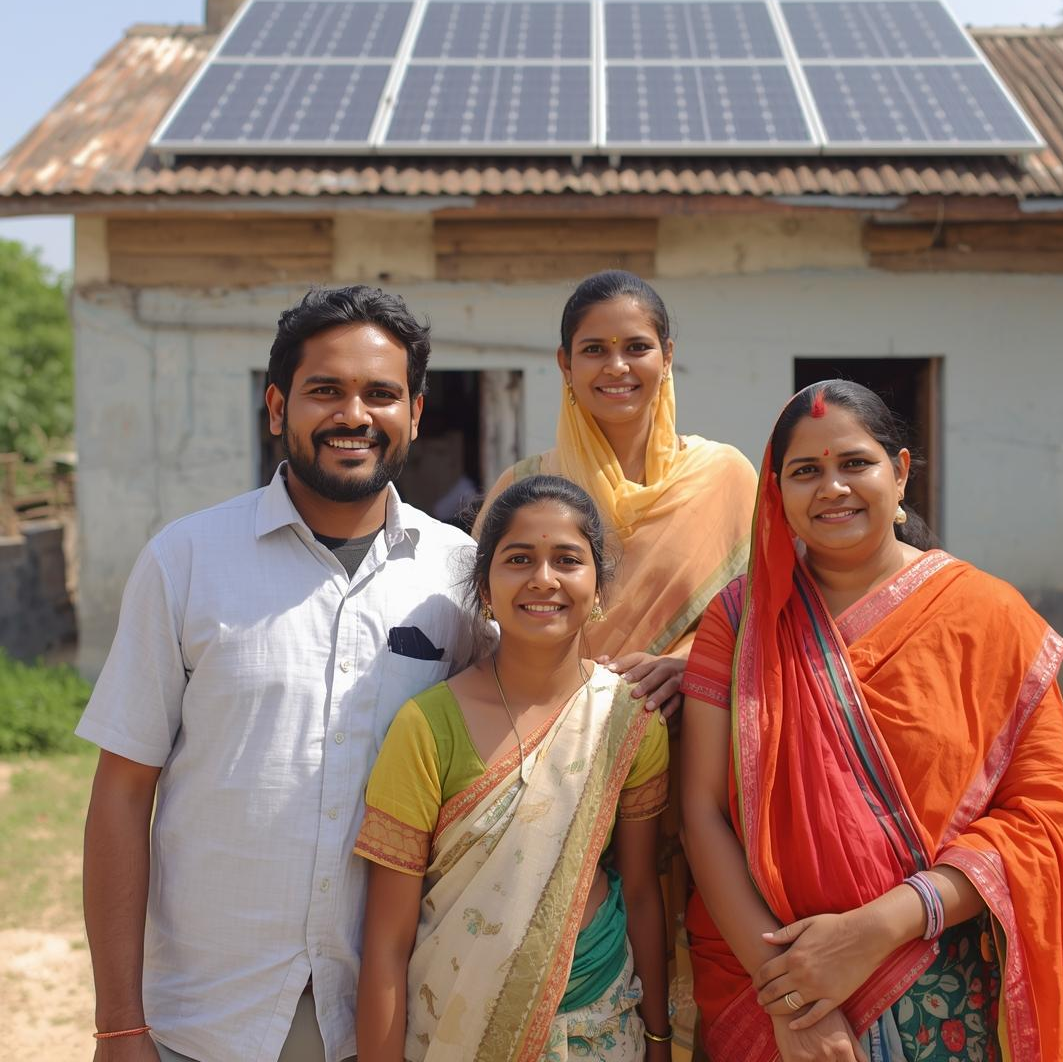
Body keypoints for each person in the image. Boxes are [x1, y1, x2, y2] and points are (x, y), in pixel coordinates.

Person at [78, 286, 479, 1062]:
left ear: (416, 415)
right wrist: (120, 1025)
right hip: (205, 1021)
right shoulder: (186, 561)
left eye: (381, 394)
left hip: (394, 1019)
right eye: (324, 390)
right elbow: (123, 791)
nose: (353, 414)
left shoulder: (461, 577)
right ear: (276, 407)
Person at [680, 381, 1063, 1062]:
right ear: (776, 491)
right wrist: (790, 995)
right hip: (769, 998)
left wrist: (881, 926)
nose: (832, 488)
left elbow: (1044, 820)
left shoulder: (992, 620)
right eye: (806, 471)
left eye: (855, 463)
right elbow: (701, 814)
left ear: (900, 471)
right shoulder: (739, 622)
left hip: (941, 989)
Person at [354, 474, 671, 1061]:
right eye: (519, 558)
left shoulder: (629, 721)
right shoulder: (427, 726)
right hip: (454, 1030)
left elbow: (644, 894)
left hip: (601, 1025)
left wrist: (659, 1038)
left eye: (567, 560)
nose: (543, 579)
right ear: (484, 586)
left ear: (598, 586)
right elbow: (386, 944)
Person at [478, 268, 758, 718]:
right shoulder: (523, 489)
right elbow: (482, 628)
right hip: (541, 735)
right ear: (565, 364)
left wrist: (684, 664)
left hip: (691, 735)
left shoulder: (726, 477)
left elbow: (765, 617)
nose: (617, 367)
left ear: (666, 357)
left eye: (636, 347)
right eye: (594, 350)